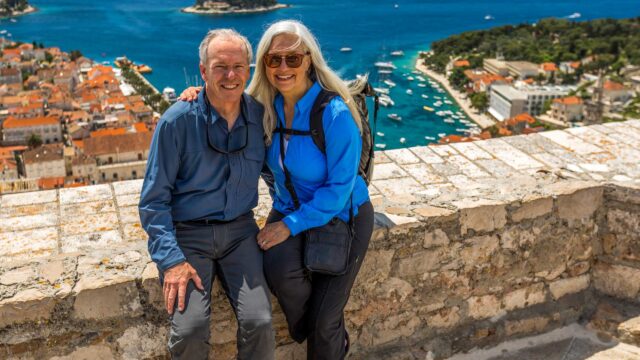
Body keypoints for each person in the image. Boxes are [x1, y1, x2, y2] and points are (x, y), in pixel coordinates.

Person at [139, 29, 275, 360]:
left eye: (238, 66)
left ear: (249, 69)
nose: (230, 75)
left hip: (240, 233)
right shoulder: (177, 121)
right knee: (190, 330)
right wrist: (171, 261)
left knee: (260, 322)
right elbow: (153, 201)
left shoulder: (260, 116)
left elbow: (280, 175)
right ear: (203, 71)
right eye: (220, 67)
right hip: (188, 236)